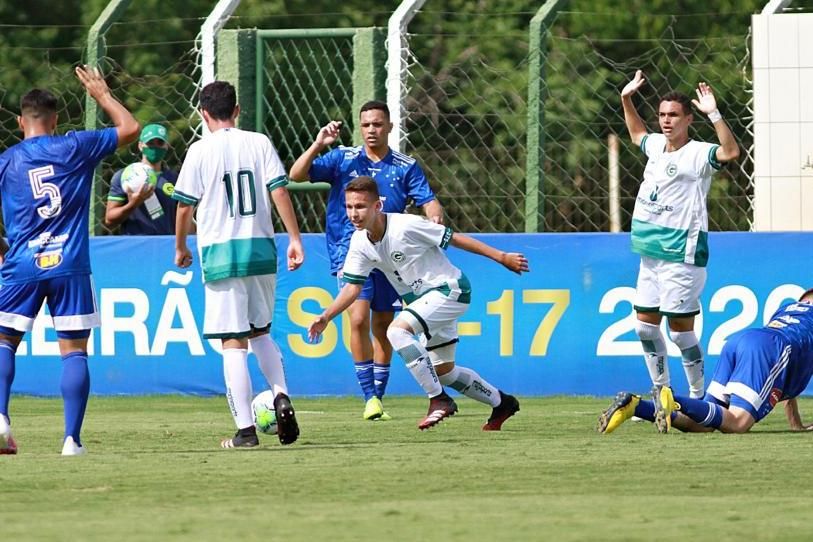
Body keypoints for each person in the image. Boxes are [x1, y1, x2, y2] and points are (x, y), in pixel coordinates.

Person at [307, 177, 528, 431]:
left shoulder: (406, 225)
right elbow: (353, 287)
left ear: (377, 206)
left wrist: (502, 256)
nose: (353, 213)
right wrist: (326, 316)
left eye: (360, 206)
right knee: (444, 372)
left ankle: (438, 399)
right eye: (349, 207)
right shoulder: (359, 242)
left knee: (396, 331)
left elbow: (453, 238)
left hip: (449, 290)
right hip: (425, 302)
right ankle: (502, 403)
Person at [0, 66, 140, 455]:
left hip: (21, 265)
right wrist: (103, 96)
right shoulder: (76, 146)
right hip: (70, 264)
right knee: (74, 350)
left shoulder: (8, 160)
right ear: (56, 119)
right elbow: (130, 129)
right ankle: (71, 440)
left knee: (4, 341)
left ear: (19, 122)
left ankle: (0, 419)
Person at [289, 100, 443, 421]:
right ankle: (369, 397)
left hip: (389, 255)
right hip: (350, 252)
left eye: (377, 124)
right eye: (366, 125)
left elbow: (429, 202)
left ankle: (378, 397)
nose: (371, 130)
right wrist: (318, 143)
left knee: (384, 326)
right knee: (357, 318)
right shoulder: (343, 159)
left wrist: (434, 221)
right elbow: (297, 174)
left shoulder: (404, 166)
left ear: (389, 127)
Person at [173, 81, 304, 448]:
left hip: (221, 254)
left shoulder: (199, 151)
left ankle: (246, 431)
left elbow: (184, 205)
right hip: (261, 249)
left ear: (202, 113)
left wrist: (181, 246)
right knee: (260, 331)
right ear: (238, 110)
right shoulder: (259, 142)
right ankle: (281, 394)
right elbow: (279, 189)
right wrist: (294, 238)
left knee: (233, 342)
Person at [621, 70, 740, 399]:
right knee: (644, 326)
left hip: (682, 255)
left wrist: (714, 113)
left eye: (673, 115)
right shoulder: (657, 146)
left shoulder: (698, 153)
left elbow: (730, 153)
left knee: (680, 333)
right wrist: (626, 98)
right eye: (662, 115)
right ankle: (662, 393)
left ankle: (698, 397)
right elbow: (636, 135)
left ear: (688, 118)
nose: (666, 121)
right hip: (650, 253)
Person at [598, 288, 813, 434]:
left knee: (704, 423)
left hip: (741, 340)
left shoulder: (788, 310)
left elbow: (785, 372)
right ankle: (672, 398)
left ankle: (635, 406)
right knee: (738, 423)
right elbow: (781, 361)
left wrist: (796, 424)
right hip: (769, 349)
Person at [104, 123, 178, 234]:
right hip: (135, 245)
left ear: (166, 146)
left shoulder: (175, 179)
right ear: (140, 145)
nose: (155, 147)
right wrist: (133, 204)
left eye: (160, 143)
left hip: (166, 245)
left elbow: (183, 216)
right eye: (150, 143)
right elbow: (109, 220)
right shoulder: (125, 177)